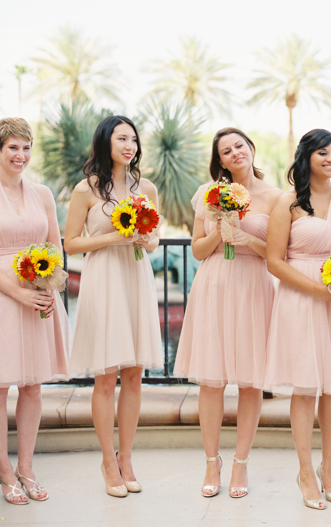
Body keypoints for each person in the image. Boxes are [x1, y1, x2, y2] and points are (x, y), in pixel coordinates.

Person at [174, 128, 283, 498]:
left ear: (251, 148)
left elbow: (278, 255)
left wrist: (246, 237)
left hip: (254, 286)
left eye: (240, 145)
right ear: (219, 160)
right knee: (212, 380)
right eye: (226, 150)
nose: (235, 152)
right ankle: (211, 461)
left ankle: (240, 464)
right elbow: (198, 251)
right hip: (215, 283)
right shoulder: (208, 194)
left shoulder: (278, 198)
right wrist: (222, 228)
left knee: (250, 380)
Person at [265, 129, 331, 510]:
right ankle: (305, 471)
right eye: (323, 152)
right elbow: (274, 260)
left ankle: (329, 469)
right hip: (302, 299)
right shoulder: (288, 202)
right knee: (306, 387)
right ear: (306, 156)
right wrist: (317, 290)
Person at [64, 116, 161, 498]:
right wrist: (112, 237)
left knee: (134, 374)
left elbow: (153, 241)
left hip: (136, 275)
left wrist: (139, 237)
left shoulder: (146, 188)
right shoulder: (85, 190)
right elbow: (71, 243)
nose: (130, 145)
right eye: (122, 138)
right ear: (106, 142)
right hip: (104, 278)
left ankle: (126, 458)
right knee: (106, 377)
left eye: (134, 139)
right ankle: (107, 460)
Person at [0, 118, 70, 504]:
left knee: (32, 387)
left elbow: (56, 248)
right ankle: (4, 469)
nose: (21, 155)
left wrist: (48, 289)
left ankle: (26, 466)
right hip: (3, 296)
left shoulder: (42, 192)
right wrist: (16, 292)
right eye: (13, 147)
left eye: (26, 148)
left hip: (38, 294)